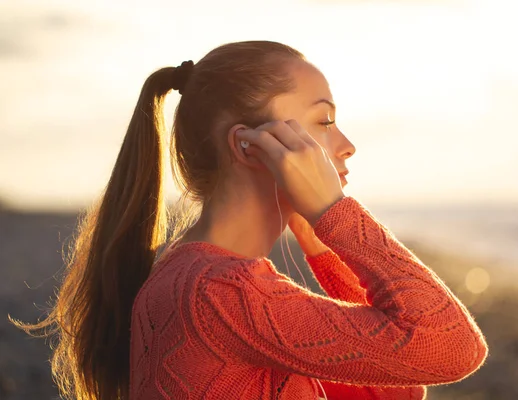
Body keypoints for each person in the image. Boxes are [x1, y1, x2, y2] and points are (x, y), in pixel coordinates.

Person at [14, 41, 488, 400]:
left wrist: (325, 249)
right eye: (324, 121)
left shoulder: (196, 277)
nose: (345, 144)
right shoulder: (219, 292)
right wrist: (333, 213)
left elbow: (393, 387)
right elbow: (452, 347)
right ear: (248, 146)